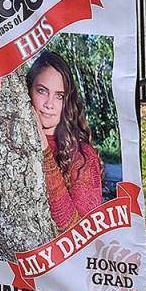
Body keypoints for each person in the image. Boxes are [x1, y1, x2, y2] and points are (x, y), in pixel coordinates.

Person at [27, 51, 103, 233]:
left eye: (59, 96)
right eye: (41, 91)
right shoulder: (12, 140)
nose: (49, 104)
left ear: (67, 102)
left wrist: (45, 148)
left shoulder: (83, 156)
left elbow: (75, 230)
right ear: (28, 91)